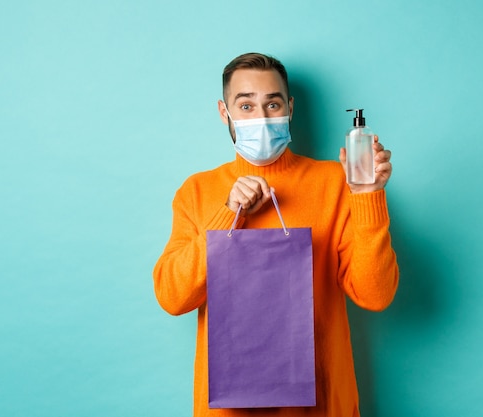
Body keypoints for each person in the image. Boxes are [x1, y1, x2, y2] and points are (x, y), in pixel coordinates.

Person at [153, 52, 399, 417]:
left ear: (290, 107)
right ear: (225, 113)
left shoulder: (335, 182)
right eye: (246, 106)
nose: (262, 118)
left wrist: (366, 196)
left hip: (322, 402)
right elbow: (173, 298)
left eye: (272, 103)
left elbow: (375, 295)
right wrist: (226, 216)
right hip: (229, 408)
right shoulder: (197, 191)